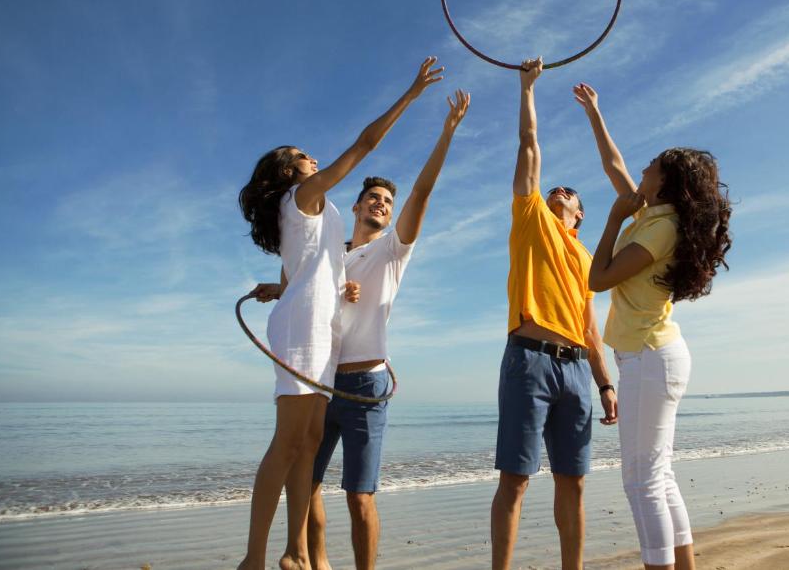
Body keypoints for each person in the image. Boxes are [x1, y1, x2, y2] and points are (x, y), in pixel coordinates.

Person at [236, 57, 444, 570]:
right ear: (289, 172)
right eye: (303, 156)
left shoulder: (315, 209)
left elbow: (303, 267)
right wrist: (411, 94)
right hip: (303, 328)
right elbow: (365, 144)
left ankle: (296, 552)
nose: (312, 159)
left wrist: (295, 285)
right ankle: (254, 560)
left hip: (317, 327)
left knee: (306, 443)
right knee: (287, 443)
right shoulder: (303, 194)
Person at [305, 90, 470, 570]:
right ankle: (318, 563)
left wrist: (448, 131)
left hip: (365, 384)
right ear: (355, 208)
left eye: (386, 201)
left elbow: (421, 193)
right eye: (373, 198)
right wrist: (283, 288)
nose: (381, 203)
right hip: (320, 381)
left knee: (359, 498)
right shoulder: (332, 256)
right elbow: (306, 294)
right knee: (305, 484)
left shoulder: (393, 250)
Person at [574, 82, 732, 570]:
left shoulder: (659, 227)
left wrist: (608, 221)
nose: (641, 170)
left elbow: (598, 280)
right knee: (659, 475)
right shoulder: (653, 212)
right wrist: (595, 113)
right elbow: (614, 165)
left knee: (640, 479)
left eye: (651, 167)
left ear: (665, 181)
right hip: (651, 356)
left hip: (649, 356)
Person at [491, 58, 618, 570]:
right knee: (516, 479)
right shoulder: (531, 219)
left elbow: (590, 328)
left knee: (575, 481)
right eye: (554, 190)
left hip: (575, 372)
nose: (558, 191)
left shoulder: (588, 257)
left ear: (580, 214)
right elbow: (529, 148)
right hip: (529, 361)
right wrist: (527, 91)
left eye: (569, 193)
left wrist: (605, 383)